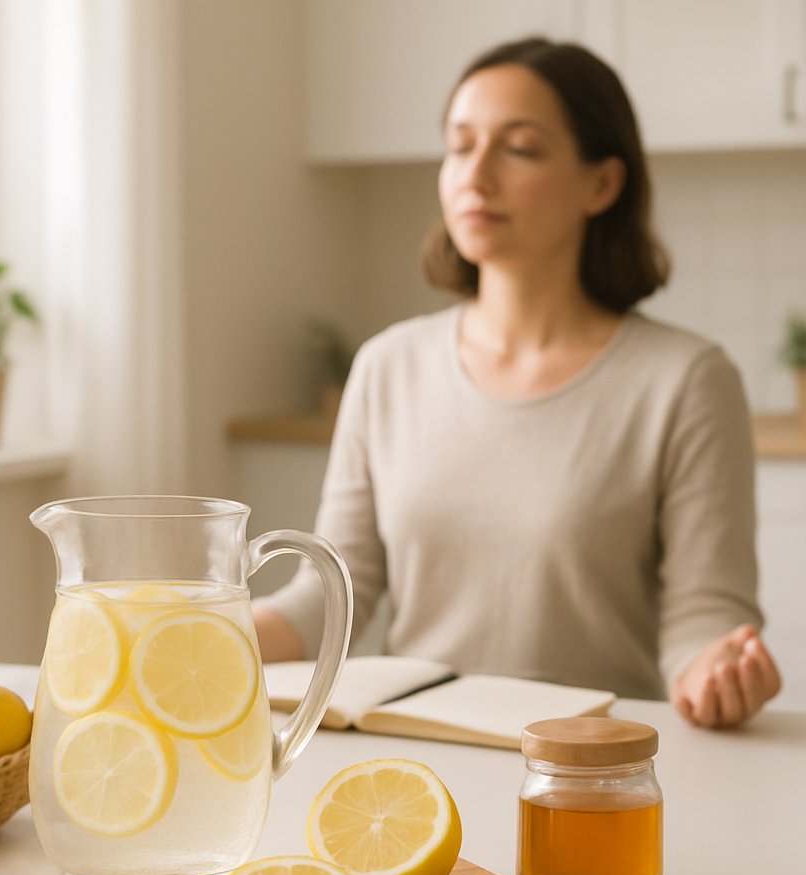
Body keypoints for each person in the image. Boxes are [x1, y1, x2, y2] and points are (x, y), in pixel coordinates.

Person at [254, 36, 782, 729]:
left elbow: (703, 617)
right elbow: (333, 597)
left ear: (603, 184)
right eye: (459, 145)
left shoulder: (685, 381)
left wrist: (717, 669)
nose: (476, 174)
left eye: (520, 148)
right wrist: (196, 626)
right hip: (418, 764)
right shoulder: (388, 366)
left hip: (586, 770)